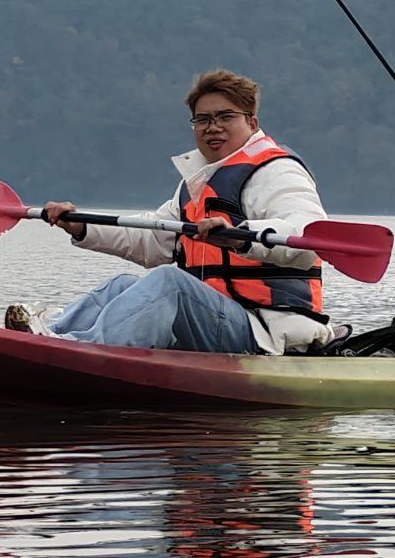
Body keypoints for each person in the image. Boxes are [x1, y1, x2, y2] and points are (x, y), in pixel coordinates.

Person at [28, 68, 336, 355]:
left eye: (225, 117)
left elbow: (308, 234)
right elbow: (152, 238)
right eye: (202, 120)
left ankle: (77, 350)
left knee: (169, 283)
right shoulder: (197, 182)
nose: (212, 127)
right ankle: (44, 337)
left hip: (267, 332)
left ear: (252, 122)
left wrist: (240, 238)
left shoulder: (277, 171)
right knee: (122, 285)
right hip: (217, 319)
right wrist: (80, 225)